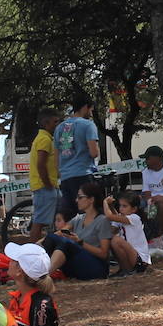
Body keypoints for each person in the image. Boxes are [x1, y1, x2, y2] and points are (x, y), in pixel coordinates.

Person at [40, 181, 115, 280]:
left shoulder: (102, 221)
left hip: (96, 267)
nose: (76, 200)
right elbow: (59, 233)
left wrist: (80, 242)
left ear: (91, 199)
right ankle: (36, 272)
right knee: (52, 237)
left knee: (66, 244)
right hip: (79, 263)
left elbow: (104, 254)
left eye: (80, 197)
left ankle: (43, 277)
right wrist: (37, 244)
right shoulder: (79, 218)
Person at [54, 96, 100, 220]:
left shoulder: (59, 128)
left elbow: (56, 156)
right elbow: (94, 153)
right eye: (91, 110)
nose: (91, 114)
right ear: (85, 107)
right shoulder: (88, 125)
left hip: (65, 178)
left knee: (70, 217)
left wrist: (60, 173)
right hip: (83, 175)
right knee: (88, 215)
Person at [26, 107, 62, 241]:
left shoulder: (45, 138)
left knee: (60, 217)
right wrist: (47, 184)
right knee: (39, 222)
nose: (58, 125)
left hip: (50, 186)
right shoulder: (44, 139)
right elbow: (40, 164)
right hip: (44, 187)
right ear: (46, 123)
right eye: (55, 122)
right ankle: (33, 250)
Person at [104, 191, 150, 276]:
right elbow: (112, 229)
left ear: (134, 209)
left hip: (140, 260)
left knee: (116, 240)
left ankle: (128, 271)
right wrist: (111, 206)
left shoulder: (134, 218)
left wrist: (105, 203)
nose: (121, 208)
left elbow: (109, 216)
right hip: (133, 257)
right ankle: (124, 269)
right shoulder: (122, 218)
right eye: (120, 205)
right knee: (110, 239)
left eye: (124, 206)